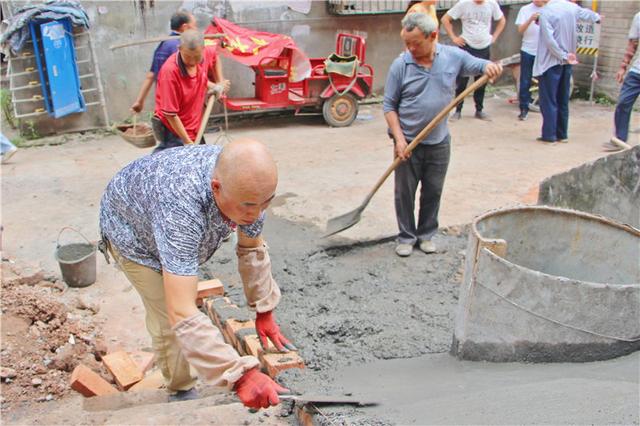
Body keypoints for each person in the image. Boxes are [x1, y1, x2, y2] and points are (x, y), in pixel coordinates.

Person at [99, 139, 296, 407]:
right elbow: (180, 311)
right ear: (216, 188)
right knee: (168, 318)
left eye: (265, 204)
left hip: (163, 212)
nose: (257, 214)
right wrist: (241, 376)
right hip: (132, 233)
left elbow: (251, 249)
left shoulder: (250, 188)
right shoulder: (181, 209)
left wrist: (265, 309)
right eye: (249, 207)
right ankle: (180, 388)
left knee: (182, 276)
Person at [383, 13, 502, 257]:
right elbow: (389, 106)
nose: (410, 48)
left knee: (433, 191)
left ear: (433, 36)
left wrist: (489, 67)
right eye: (407, 43)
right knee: (404, 193)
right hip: (407, 144)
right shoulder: (401, 65)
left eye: (415, 43)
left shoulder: (452, 57)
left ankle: (426, 235)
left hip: (438, 142)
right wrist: (400, 139)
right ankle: (406, 236)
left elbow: (478, 65)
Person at [532, 0, 599, 143]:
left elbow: (549, 41)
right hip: (567, 61)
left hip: (551, 62)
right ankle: (562, 134)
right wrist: (597, 17)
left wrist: (562, 55)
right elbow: (588, 15)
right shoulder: (572, 7)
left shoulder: (546, 12)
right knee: (562, 99)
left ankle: (549, 135)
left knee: (549, 100)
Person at [152, 29, 226, 153]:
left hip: (195, 128)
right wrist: (187, 142)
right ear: (179, 48)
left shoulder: (202, 57)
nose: (192, 62)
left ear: (203, 49)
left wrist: (214, 87)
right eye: (187, 57)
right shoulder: (170, 72)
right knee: (173, 166)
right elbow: (170, 114)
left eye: (196, 57)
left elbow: (200, 79)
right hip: (175, 132)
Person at [441, 0, 505, 121]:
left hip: (484, 47)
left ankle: (479, 110)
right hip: (467, 46)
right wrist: (454, 37)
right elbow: (445, 19)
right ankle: (458, 110)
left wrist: (494, 37)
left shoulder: (492, 4)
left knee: (481, 80)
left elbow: (502, 20)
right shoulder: (464, 4)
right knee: (462, 81)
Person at [130, 11, 197, 114]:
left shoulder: (163, 44)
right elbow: (190, 75)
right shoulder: (179, 46)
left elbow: (151, 75)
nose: (196, 29)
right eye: (194, 25)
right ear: (185, 27)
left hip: (162, 104)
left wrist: (139, 101)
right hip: (177, 105)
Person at [609, 11, 640, 148]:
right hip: (637, 71)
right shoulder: (638, 17)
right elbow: (633, 44)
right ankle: (620, 140)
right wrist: (623, 67)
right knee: (623, 103)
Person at [515, 0, 547, 121]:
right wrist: (530, 20)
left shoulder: (550, 8)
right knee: (525, 80)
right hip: (528, 49)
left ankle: (545, 107)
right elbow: (520, 30)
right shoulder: (525, 9)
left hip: (544, 51)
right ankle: (524, 108)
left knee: (545, 80)